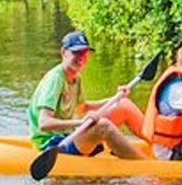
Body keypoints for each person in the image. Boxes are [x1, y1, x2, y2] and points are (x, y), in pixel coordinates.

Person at [27, 31, 147, 159]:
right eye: (76, 52)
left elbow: (82, 107)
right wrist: (80, 122)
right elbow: (44, 123)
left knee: (123, 105)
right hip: (52, 144)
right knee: (103, 126)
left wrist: (116, 98)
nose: (81, 57)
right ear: (63, 53)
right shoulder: (55, 79)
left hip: (68, 135)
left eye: (84, 52)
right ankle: (149, 168)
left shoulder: (75, 77)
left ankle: (162, 146)